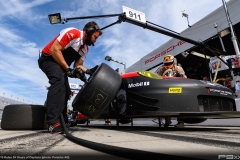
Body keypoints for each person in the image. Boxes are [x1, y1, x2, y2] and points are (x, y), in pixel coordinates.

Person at [38, 21, 102, 134]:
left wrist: (89, 71)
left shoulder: (85, 49)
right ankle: (52, 123)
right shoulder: (73, 33)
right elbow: (54, 50)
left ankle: (62, 121)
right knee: (58, 81)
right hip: (48, 58)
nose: (95, 40)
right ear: (89, 31)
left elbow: (78, 65)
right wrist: (67, 70)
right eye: (95, 37)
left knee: (67, 91)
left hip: (61, 65)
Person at [157, 54, 187, 128]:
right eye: (166, 63)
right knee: (166, 104)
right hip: (166, 88)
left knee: (179, 103)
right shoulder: (161, 69)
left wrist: (181, 76)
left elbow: (185, 79)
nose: (167, 65)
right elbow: (157, 79)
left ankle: (180, 122)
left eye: (169, 63)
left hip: (176, 88)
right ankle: (167, 121)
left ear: (173, 62)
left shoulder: (178, 68)